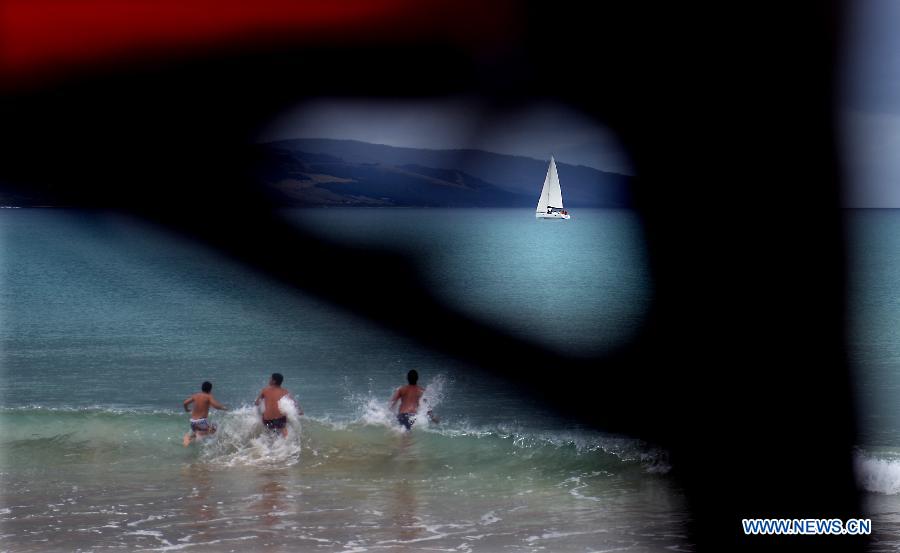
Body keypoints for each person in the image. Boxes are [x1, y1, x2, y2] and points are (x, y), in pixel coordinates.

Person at [255, 372, 302, 437]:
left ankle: (268, 442)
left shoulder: (265, 390)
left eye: (270, 379)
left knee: (269, 433)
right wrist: (300, 411)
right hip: (279, 419)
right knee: (283, 425)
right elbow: (293, 403)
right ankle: (286, 441)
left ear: (274, 381)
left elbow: (257, 403)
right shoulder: (284, 391)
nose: (269, 380)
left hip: (267, 420)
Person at [182, 381, 228, 447]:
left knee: (201, 430)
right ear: (210, 389)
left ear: (202, 388)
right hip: (201, 422)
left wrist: (187, 410)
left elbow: (185, 403)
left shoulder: (196, 395)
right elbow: (215, 406)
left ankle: (190, 438)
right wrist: (223, 408)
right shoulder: (208, 396)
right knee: (214, 429)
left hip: (192, 422)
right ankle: (206, 443)